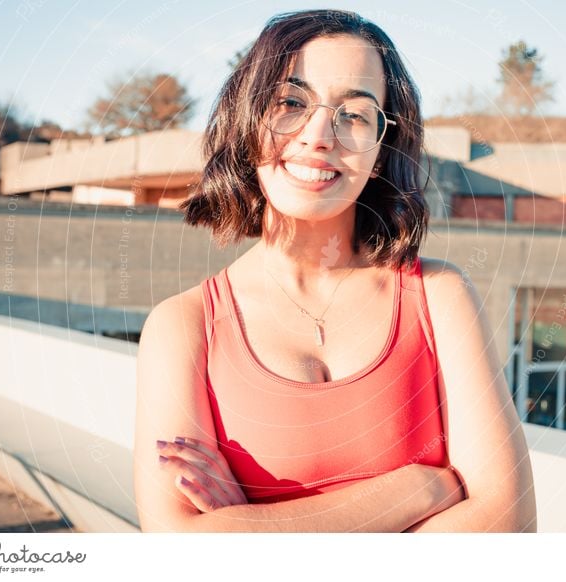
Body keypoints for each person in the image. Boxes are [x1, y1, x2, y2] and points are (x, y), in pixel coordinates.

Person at [133, 9, 536, 532]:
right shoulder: (183, 327)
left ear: (381, 147)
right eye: (291, 102)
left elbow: (508, 529)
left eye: (355, 114)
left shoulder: (439, 296)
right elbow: (180, 554)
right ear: (247, 118)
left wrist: (252, 528)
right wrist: (418, 489)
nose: (320, 135)